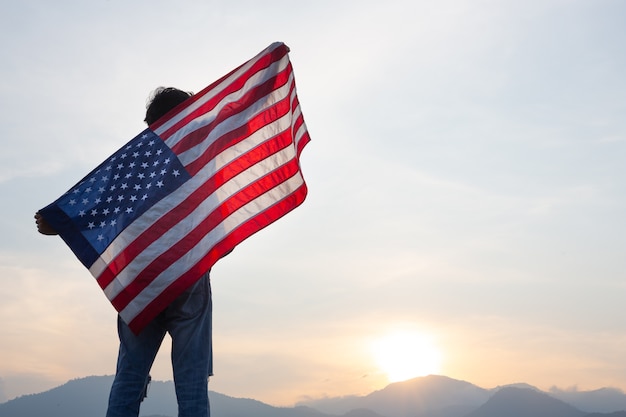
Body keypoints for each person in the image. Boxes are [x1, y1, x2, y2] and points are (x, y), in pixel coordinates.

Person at [35, 87, 213, 417]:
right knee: (192, 382)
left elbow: (99, 205)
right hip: (188, 275)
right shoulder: (199, 156)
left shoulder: (133, 162)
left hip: (140, 277)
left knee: (131, 374)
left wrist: (59, 222)